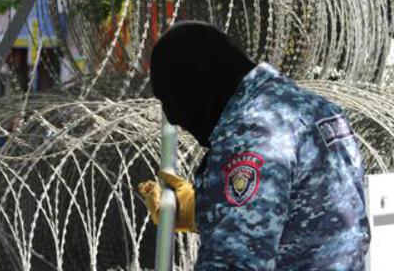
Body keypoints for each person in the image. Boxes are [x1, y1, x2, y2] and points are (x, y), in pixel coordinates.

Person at [138, 21, 370, 270]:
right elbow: (302, 211)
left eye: (172, 100)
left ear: (198, 85)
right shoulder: (313, 108)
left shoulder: (253, 132)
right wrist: (205, 206)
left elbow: (235, 260)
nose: (172, 117)